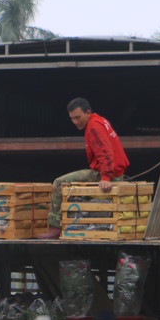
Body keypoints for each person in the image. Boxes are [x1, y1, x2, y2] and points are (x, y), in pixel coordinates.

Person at [36, 97, 130, 239]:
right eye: (72, 118)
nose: (75, 122)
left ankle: (55, 226)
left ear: (87, 112)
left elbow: (105, 152)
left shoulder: (93, 126)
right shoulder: (100, 120)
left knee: (58, 183)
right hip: (115, 171)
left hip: (106, 172)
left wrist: (105, 177)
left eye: (78, 117)